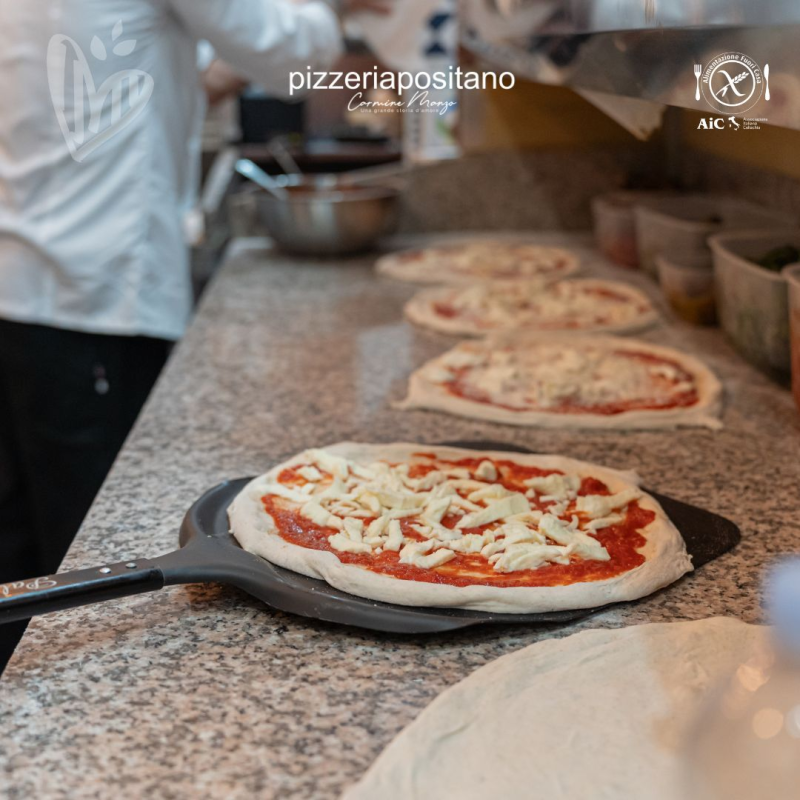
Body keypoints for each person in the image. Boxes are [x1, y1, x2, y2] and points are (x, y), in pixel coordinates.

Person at [0, 0, 388, 667]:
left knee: (23, 546)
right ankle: (78, 729)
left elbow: (132, 73)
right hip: (94, 300)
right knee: (87, 554)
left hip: (27, 286)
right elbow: (292, 53)